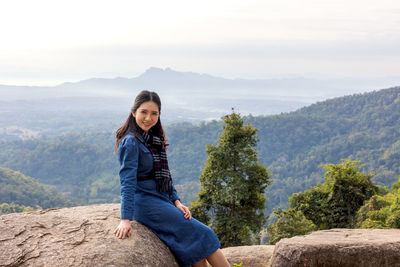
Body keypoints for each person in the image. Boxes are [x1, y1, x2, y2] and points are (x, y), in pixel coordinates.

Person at [113, 90, 230, 267]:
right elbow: (127, 182)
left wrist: (176, 201)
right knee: (203, 233)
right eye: (144, 112)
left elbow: (165, 174)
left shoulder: (153, 139)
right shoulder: (131, 142)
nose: (148, 118)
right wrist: (125, 219)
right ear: (133, 112)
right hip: (145, 201)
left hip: (161, 198)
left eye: (154, 113)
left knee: (194, 241)